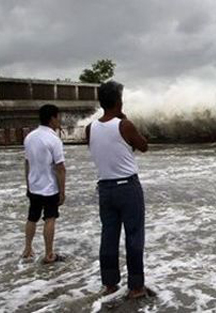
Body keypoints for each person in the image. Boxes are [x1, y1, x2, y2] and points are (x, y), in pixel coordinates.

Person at [86, 81, 149, 298]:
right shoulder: (125, 125)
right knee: (134, 236)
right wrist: (124, 119)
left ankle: (110, 284)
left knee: (109, 236)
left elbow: (105, 148)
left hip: (105, 188)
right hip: (127, 188)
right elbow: (143, 145)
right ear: (117, 101)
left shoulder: (90, 128)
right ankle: (136, 287)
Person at [22, 104, 66, 263]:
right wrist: (62, 192)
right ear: (52, 118)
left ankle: (27, 248)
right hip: (49, 188)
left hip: (33, 186)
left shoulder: (29, 137)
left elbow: (27, 163)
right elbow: (60, 168)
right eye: (58, 117)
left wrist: (28, 184)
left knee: (32, 218)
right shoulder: (54, 140)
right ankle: (49, 254)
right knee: (50, 218)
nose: (59, 120)